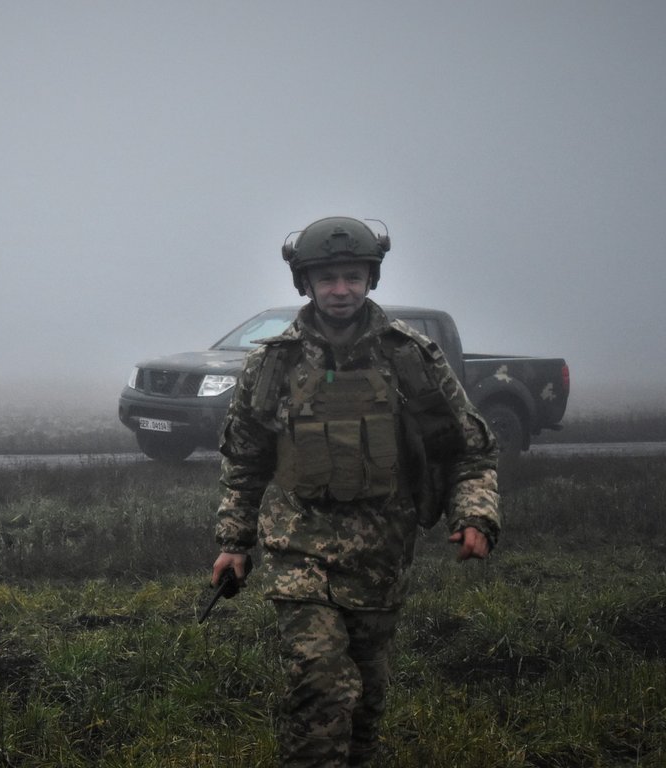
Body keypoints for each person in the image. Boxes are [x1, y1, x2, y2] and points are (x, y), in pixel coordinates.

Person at [209, 217, 501, 766]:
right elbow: (245, 459)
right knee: (319, 684)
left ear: (371, 277)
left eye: (351, 276)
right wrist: (234, 541)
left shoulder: (409, 357)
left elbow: (465, 448)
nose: (340, 290)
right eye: (327, 279)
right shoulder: (274, 362)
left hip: (381, 552)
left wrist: (475, 516)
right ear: (306, 283)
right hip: (298, 547)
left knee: (366, 694)